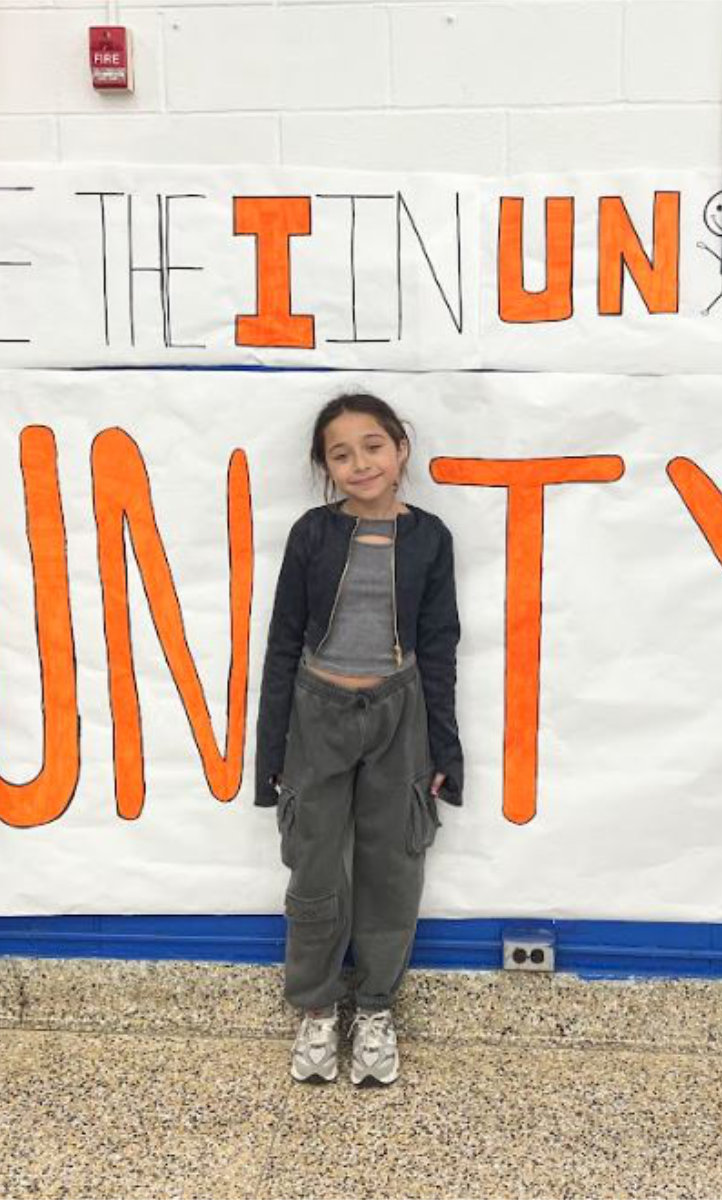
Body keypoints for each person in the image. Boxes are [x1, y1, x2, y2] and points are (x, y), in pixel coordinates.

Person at [255, 392, 463, 1087]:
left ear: (400, 449)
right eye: (339, 453)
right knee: (314, 867)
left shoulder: (429, 537)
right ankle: (315, 1009)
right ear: (324, 468)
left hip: (398, 713)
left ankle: (374, 1006)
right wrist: (270, 755)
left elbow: (438, 646)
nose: (359, 463)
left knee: (391, 868)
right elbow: (283, 643)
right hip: (317, 712)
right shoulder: (311, 535)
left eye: (372, 446)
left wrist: (443, 751)